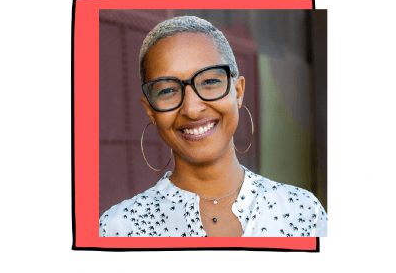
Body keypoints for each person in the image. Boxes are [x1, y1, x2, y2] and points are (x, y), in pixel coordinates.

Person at [99, 16, 327, 237]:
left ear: (237, 92)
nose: (192, 108)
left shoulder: (304, 213)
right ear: (151, 111)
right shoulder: (119, 229)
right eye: (167, 90)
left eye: (209, 81)